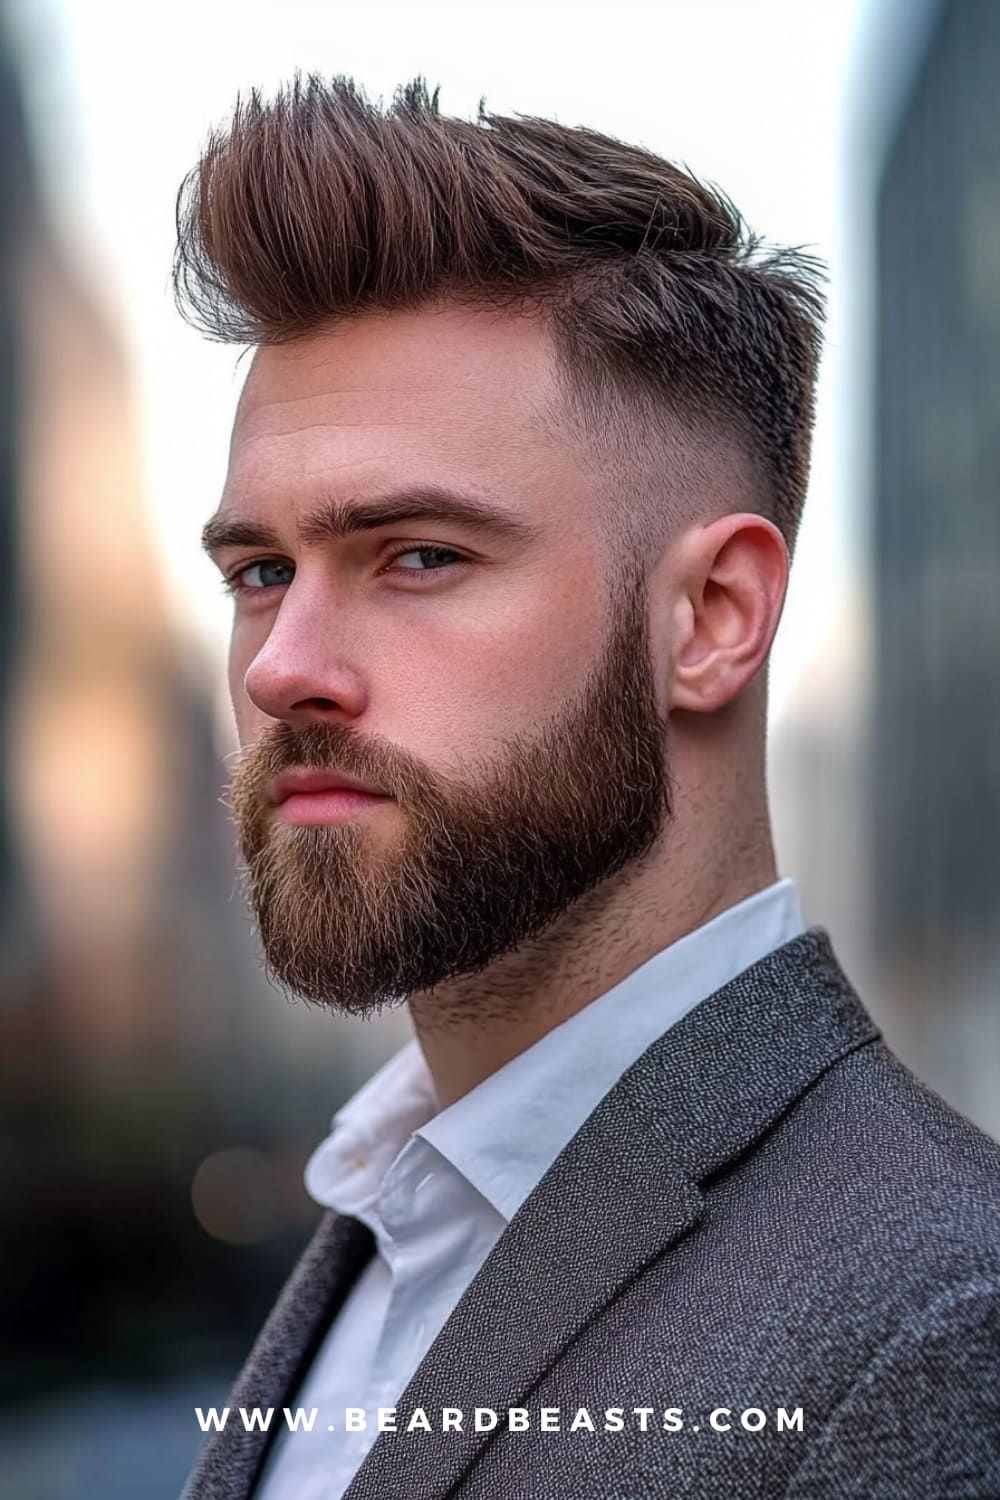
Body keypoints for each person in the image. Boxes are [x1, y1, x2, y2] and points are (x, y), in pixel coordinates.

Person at [177, 75, 1000, 1500]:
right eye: (260, 573)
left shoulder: (940, 1326)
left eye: (418, 555)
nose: (280, 668)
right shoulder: (392, 1219)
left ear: (712, 619)